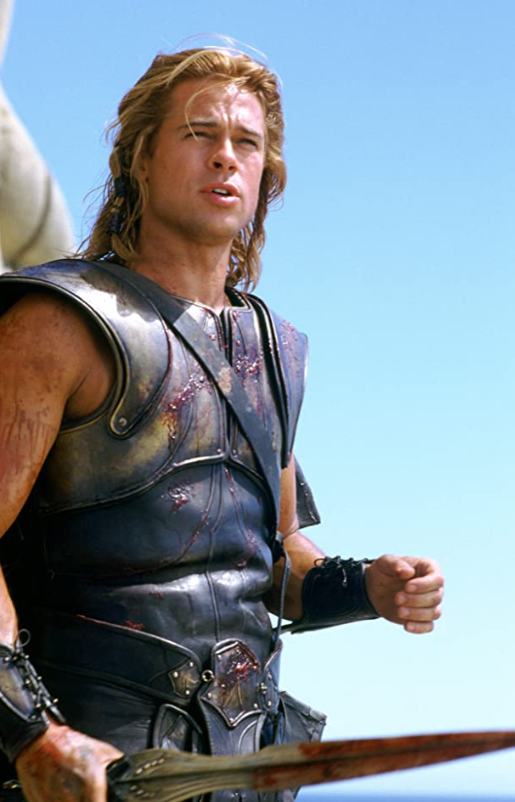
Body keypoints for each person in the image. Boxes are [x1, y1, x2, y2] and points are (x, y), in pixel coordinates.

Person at [0, 47, 444, 802]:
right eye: (199, 133)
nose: (224, 157)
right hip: (84, 773)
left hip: (240, 772)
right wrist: (31, 734)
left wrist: (366, 586)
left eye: (246, 142)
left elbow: (270, 563)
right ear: (140, 158)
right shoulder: (58, 323)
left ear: (267, 174)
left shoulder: (271, 351)